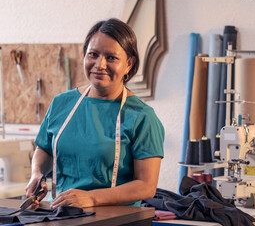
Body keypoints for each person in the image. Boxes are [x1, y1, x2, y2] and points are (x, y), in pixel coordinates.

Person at [25, 18, 165, 209]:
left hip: (116, 220)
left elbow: (146, 186)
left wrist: (91, 198)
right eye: (93, 54)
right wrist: (37, 173)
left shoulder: (141, 116)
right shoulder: (61, 103)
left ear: (129, 64)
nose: (100, 64)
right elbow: (45, 149)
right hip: (60, 215)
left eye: (111, 57)